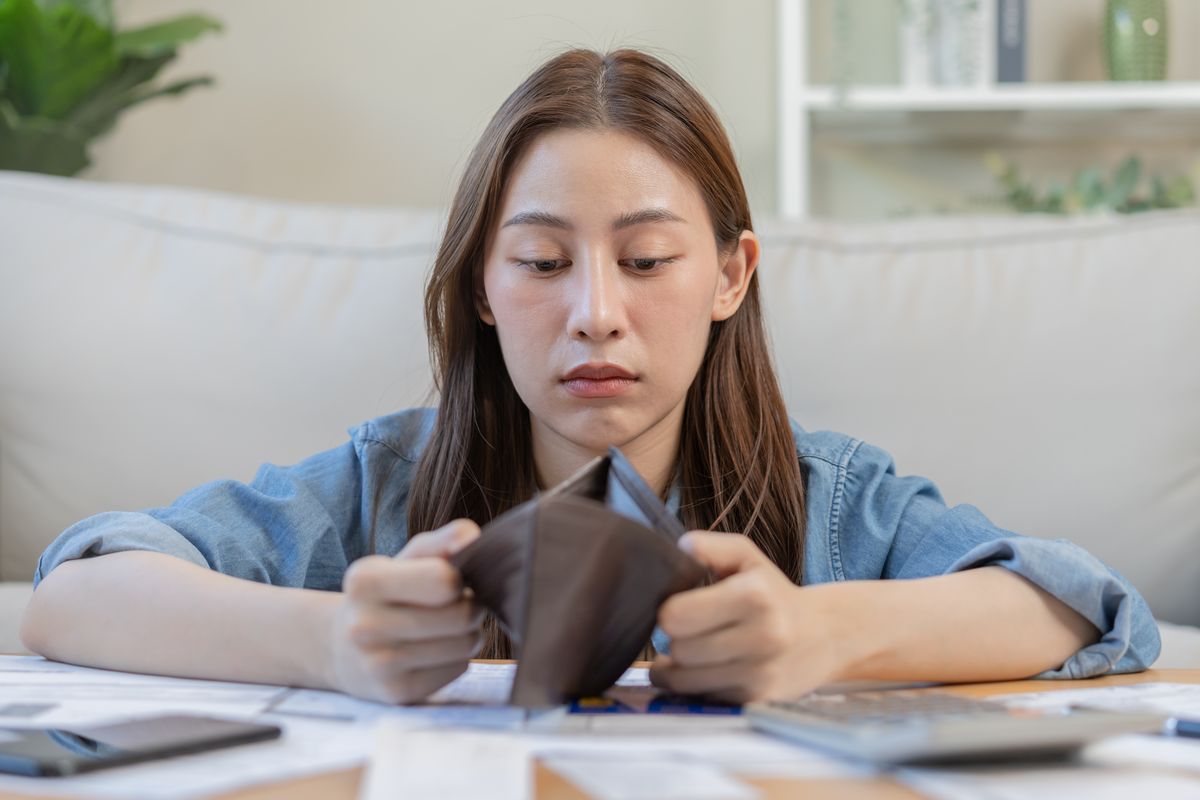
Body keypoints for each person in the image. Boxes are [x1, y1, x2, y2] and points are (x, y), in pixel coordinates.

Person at [21, 48, 1160, 706]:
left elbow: (1082, 600)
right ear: (479, 283)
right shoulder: (381, 484)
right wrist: (326, 641)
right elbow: (79, 582)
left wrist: (823, 633)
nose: (597, 314)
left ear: (729, 274)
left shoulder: (833, 498)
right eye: (543, 262)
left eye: (650, 258)